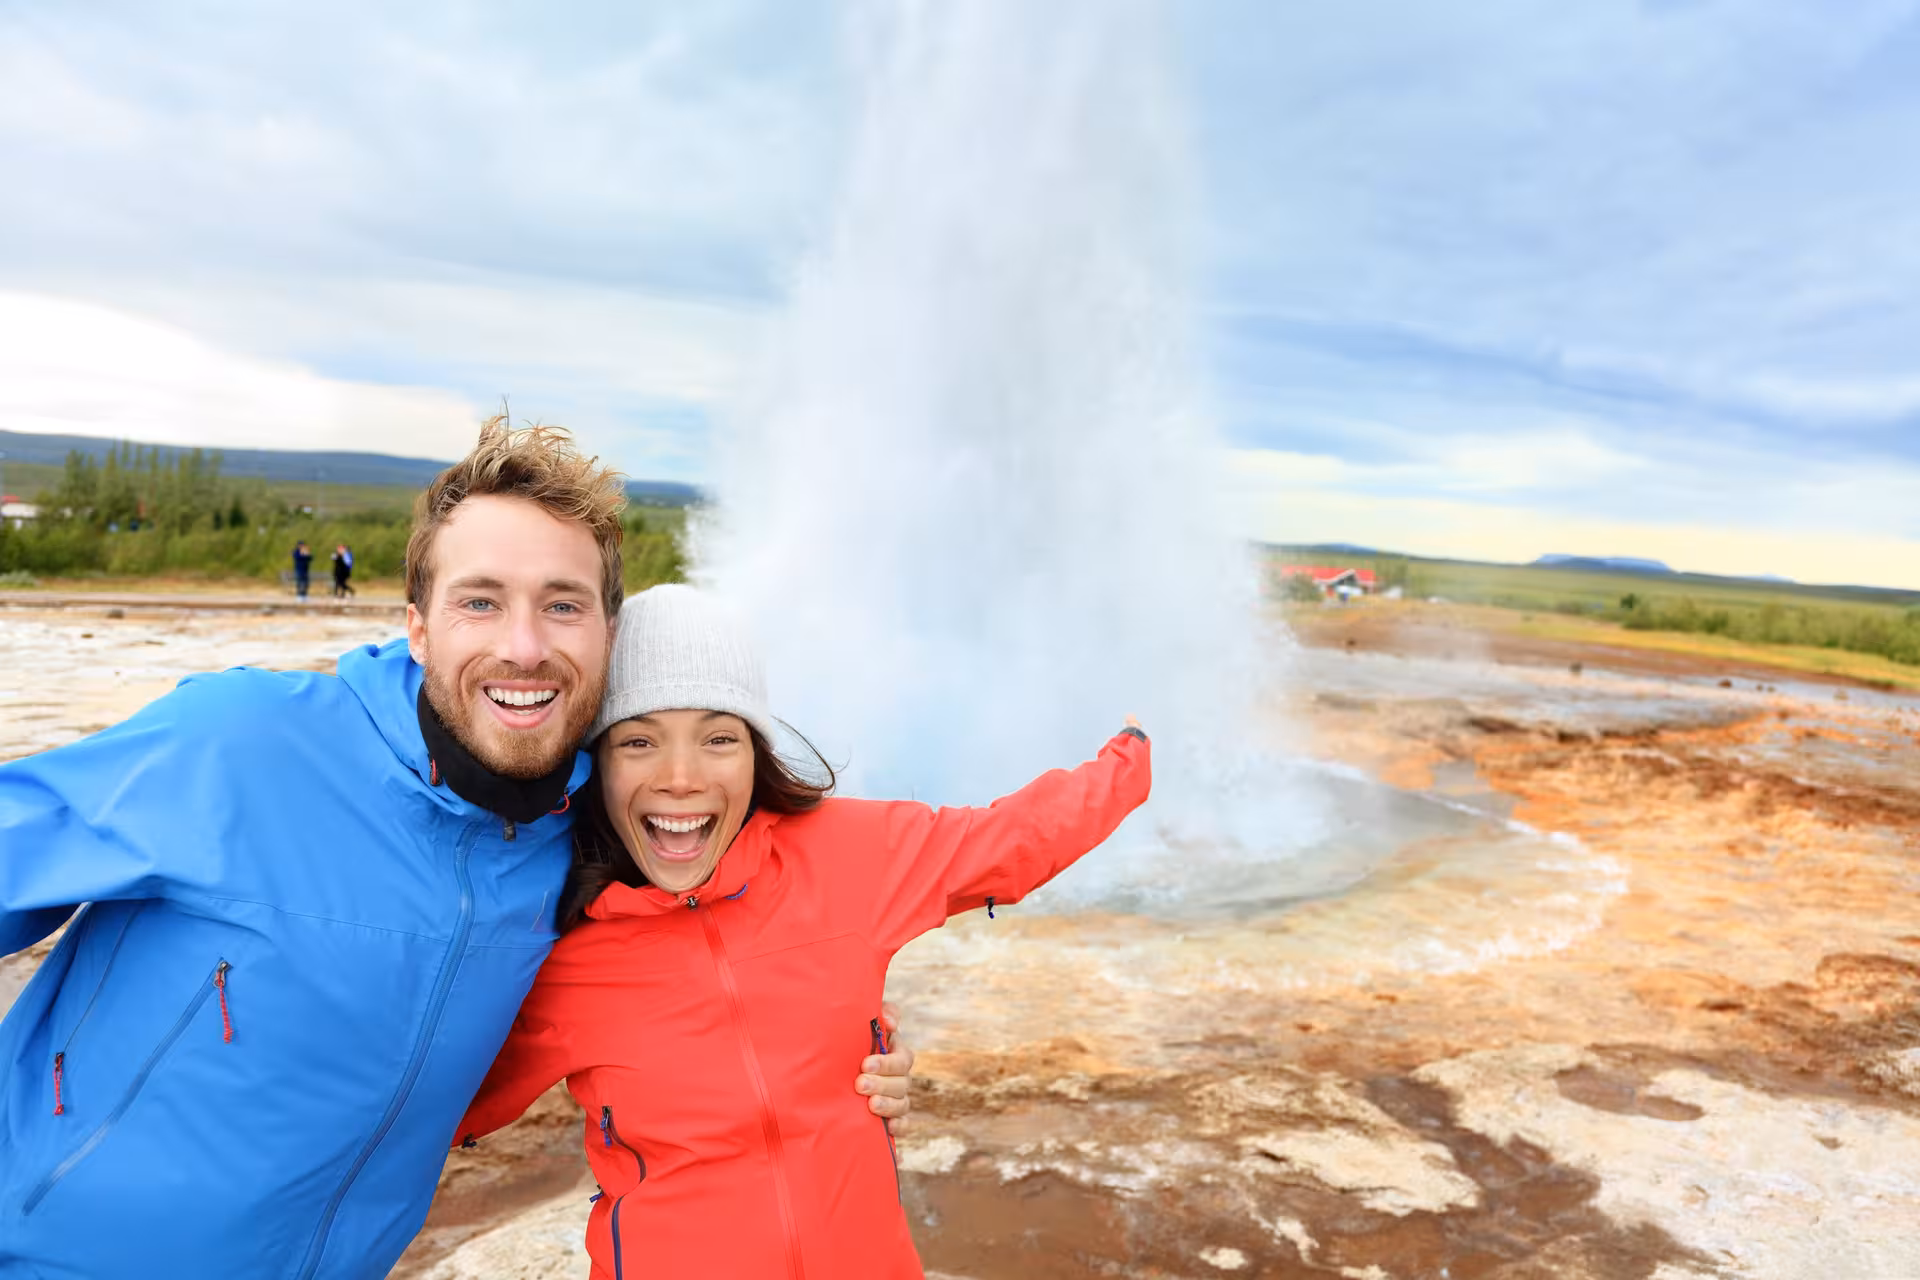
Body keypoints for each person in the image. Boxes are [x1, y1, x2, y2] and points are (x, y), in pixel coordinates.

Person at [0, 421, 914, 1278]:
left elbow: (699, 965)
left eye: (563, 606)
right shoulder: (236, 745)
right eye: (482, 601)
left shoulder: (585, 846)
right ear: (417, 624)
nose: (525, 647)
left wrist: (846, 1057)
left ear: (606, 635)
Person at [455, 584, 1152, 1277]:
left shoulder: (849, 856)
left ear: (756, 752)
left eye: (719, 737)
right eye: (638, 740)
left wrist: (1129, 758)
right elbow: (424, 1101)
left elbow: (1012, 839)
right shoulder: (555, 950)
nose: (680, 777)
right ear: (595, 764)